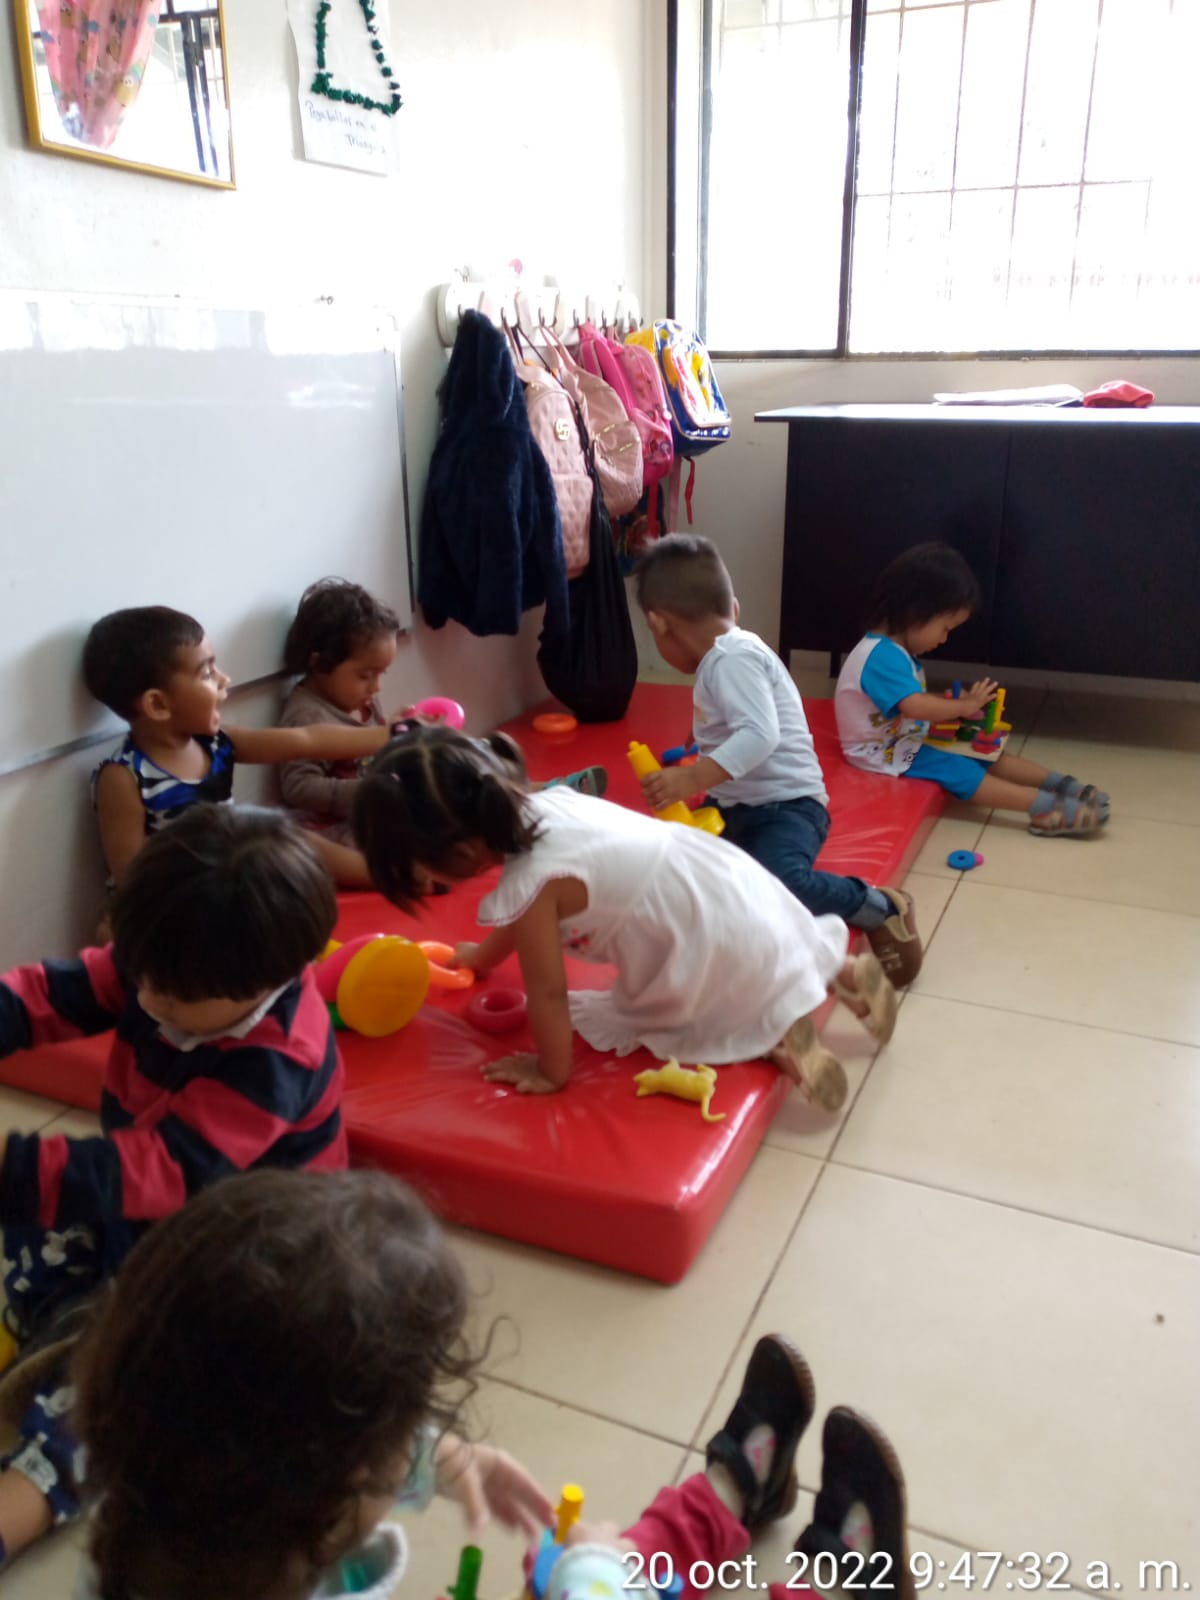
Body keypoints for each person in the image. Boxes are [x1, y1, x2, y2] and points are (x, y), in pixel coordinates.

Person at [69, 1167, 914, 1600]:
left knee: (606, 1559)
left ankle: (733, 1495)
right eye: (403, 1432)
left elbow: (253, 1408)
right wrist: (597, 1580)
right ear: (325, 1494)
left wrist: (440, 1461)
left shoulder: (167, 1515)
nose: (418, 1438)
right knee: (604, 1565)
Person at [0, 806, 345, 1570]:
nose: (148, 998)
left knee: (122, 1392)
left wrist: (13, 1169)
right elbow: (50, 994)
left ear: (268, 979)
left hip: (242, 1273)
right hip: (153, 1225)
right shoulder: (173, 965)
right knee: (38, 1220)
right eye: (139, 973)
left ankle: (19, 1506)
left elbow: (161, 1172)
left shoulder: (275, 1061)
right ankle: (56, 1326)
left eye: (174, 997)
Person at [354, 726, 900, 1111]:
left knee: (697, 1011)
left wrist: (550, 1071)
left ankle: (776, 1035)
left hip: (698, 940)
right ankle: (840, 969)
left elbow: (548, 992)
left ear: (460, 853)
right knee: (775, 939)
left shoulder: (535, 885)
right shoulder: (548, 803)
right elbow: (519, 921)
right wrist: (481, 956)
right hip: (729, 884)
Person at [632, 535, 923, 989]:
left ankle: (877, 906)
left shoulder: (732, 659)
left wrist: (692, 777)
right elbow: (735, 715)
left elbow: (760, 734)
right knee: (699, 878)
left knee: (779, 881)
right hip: (736, 807)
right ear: (734, 607)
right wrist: (702, 735)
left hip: (788, 808)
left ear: (659, 623)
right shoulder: (728, 654)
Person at [276, 579, 606, 888]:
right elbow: (298, 787)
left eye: (380, 675)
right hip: (346, 824)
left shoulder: (357, 699)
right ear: (319, 663)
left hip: (386, 803)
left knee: (460, 767)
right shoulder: (306, 715)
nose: (375, 687)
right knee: (401, 833)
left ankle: (538, 791)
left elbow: (369, 753)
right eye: (365, 675)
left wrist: (399, 732)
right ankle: (415, 871)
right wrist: (364, 791)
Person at [83, 604, 395, 891]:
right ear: (158, 704)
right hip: (178, 902)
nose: (224, 680)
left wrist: (389, 735)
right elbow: (132, 879)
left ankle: (391, 875)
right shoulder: (124, 777)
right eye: (207, 673)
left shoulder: (216, 743)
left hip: (226, 878)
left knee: (287, 834)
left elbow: (305, 740)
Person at [835, 542, 1110, 837]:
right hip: (881, 751)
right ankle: (1044, 807)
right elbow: (914, 706)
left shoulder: (895, 651)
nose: (944, 639)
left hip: (902, 735)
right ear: (916, 612)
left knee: (984, 753)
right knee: (959, 768)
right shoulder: (881, 656)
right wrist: (962, 707)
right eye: (945, 628)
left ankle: (1061, 785)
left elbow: (907, 700)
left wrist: (950, 702)